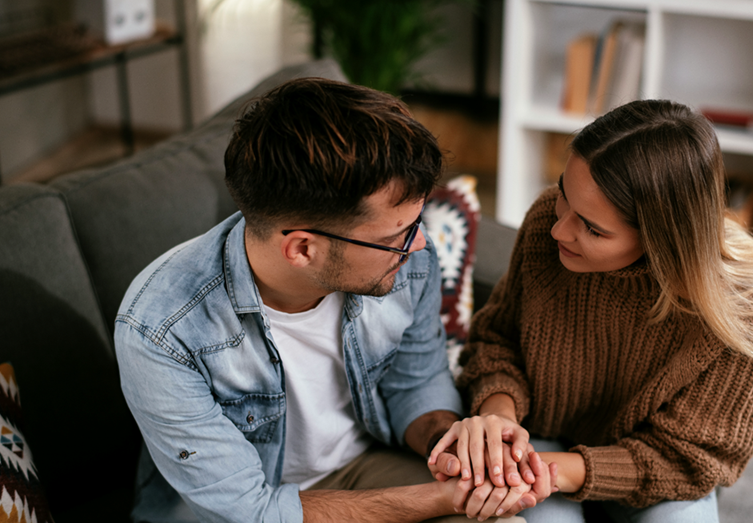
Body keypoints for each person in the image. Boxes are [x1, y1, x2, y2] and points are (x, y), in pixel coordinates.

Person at [115, 77, 555, 523]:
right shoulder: (161, 331)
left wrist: (457, 446)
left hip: (362, 467)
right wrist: (447, 498)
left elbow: (415, 382)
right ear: (303, 249)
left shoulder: (404, 261)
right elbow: (251, 512)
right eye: (394, 236)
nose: (419, 244)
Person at [428, 99, 753, 522]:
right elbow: (499, 340)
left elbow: (694, 457)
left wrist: (565, 471)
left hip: (651, 475)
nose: (558, 228)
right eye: (564, 193)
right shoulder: (547, 224)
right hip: (541, 443)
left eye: (593, 228)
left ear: (660, 240)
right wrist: (499, 417)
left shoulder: (747, 304)